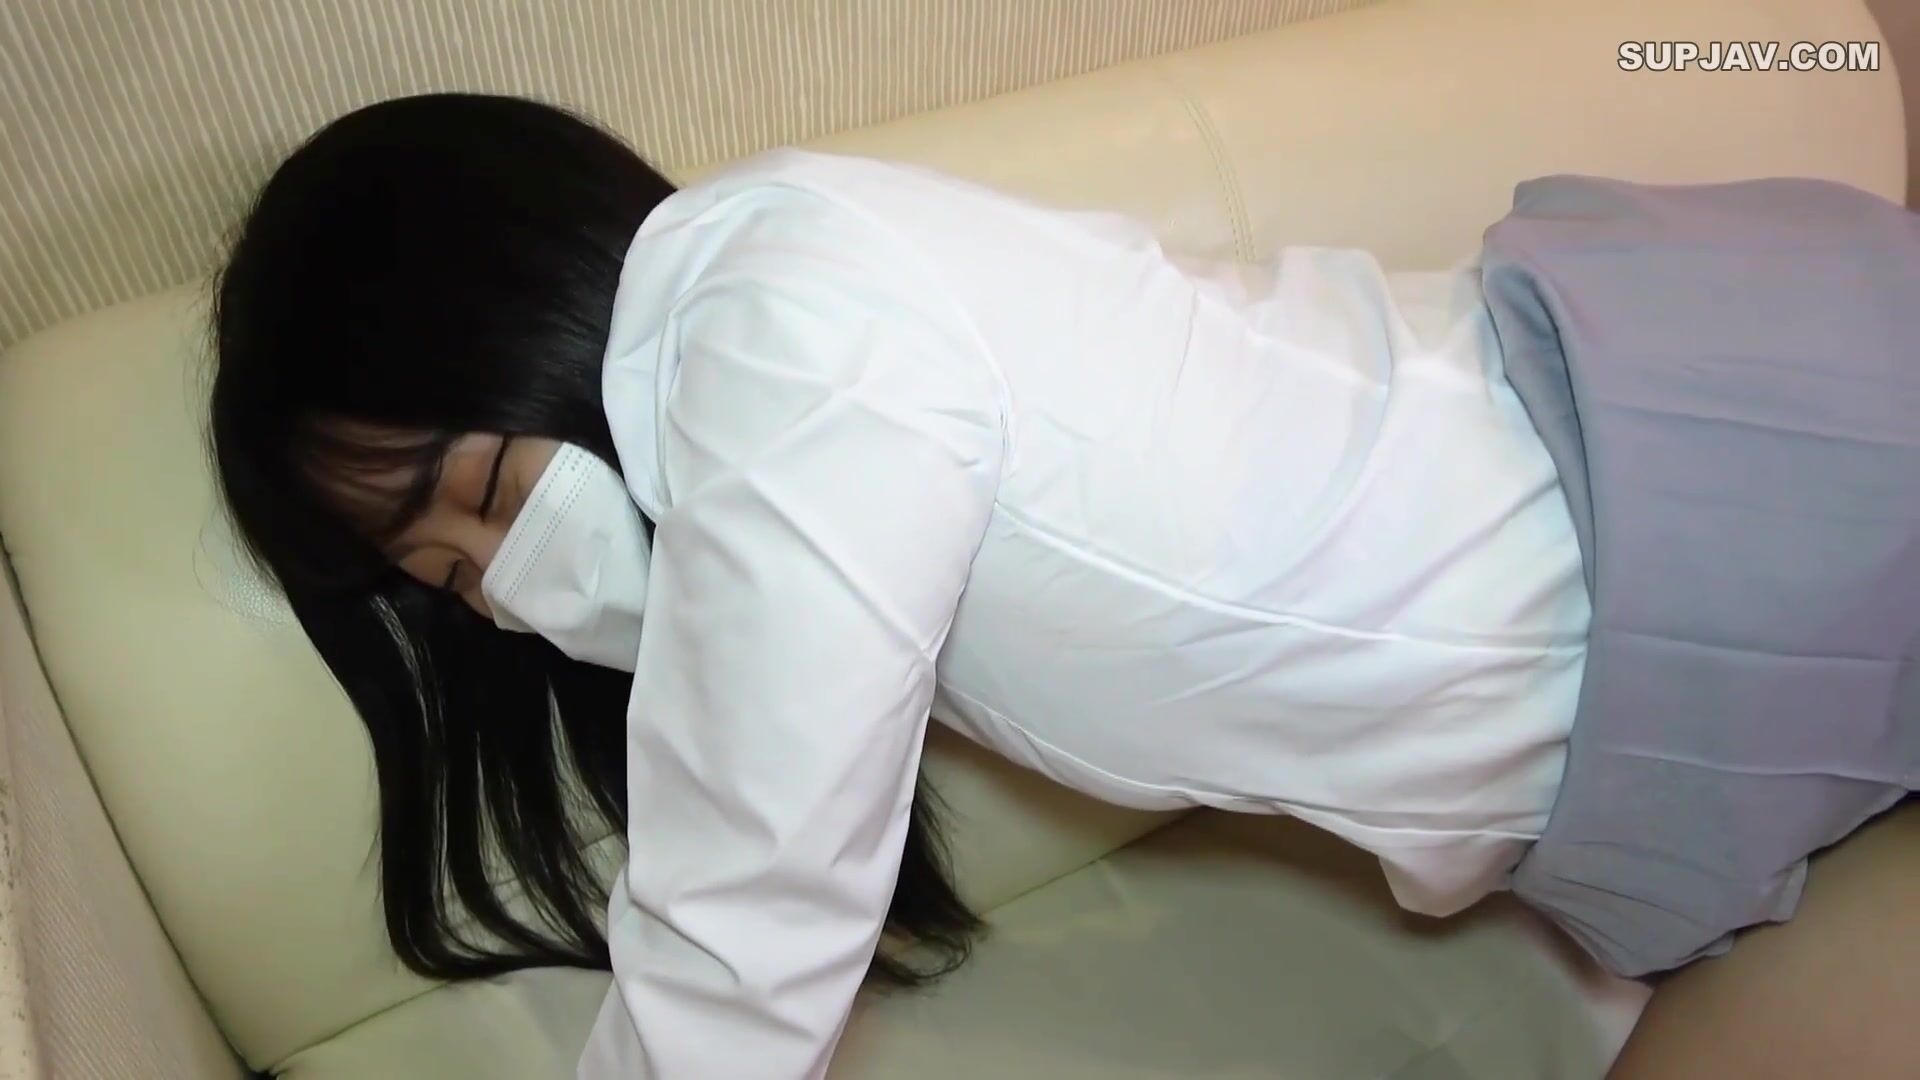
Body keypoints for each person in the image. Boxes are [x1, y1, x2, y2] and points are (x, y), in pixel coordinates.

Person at [210, 92, 1918, 1077]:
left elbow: (749, 910)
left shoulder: (766, 316)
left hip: (1689, 495)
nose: (512, 590)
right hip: (1659, 573)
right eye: (453, 581)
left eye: (483, 498)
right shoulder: (765, 355)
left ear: (537, 300)